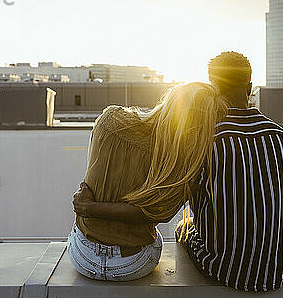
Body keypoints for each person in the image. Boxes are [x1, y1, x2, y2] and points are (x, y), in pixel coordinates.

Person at [70, 82, 227, 281]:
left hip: (83, 256)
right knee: (163, 236)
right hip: (132, 263)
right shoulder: (183, 164)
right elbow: (155, 214)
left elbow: (91, 180)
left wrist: (89, 208)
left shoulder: (110, 119)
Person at [177, 51, 283, 291]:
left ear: (212, 89)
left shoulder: (206, 142)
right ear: (250, 87)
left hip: (222, 269)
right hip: (276, 269)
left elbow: (185, 196)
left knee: (184, 226)